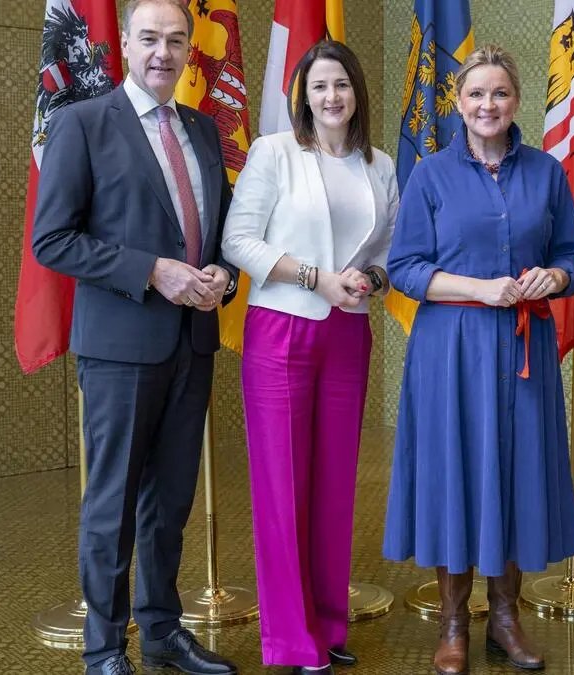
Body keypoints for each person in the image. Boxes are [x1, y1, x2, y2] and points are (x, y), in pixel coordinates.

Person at [31, 1, 240, 673]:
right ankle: (103, 650)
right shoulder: (82, 124)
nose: (164, 52)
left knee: (169, 501)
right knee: (113, 504)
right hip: (120, 346)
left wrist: (224, 275)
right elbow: (53, 239)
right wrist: (151, 270)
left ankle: (161, 631)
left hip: (191, 342)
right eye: (150, 38)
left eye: (176, 40)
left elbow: (225, 235)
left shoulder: (205, 131)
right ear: (123, 41)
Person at [381, 45, 574, 675]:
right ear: (459, 104)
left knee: (517, 474)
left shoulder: (548, 172)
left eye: (499, 94)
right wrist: (480, 289)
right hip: (451, 352)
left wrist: (552, 276)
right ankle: (452, 623)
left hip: (524, 351)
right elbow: (405, 270)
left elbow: (573, 258)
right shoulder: (429, 175)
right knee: (456, 476)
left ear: (516, 101)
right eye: (475, 95)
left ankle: (505, 619)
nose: (487, 105)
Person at [220, 39, 397, 675]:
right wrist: (314, 278)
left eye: (342, 85)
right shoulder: (274, 153)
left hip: (348, 334)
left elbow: (387, 255)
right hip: (282, 332)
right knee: (282, 487)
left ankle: (327, 624)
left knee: (334, 486)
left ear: (357, 94)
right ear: (303, 95)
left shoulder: (380, 164)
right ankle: (292, 641)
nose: (331, 96)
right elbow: (237, 240)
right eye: (319, 86)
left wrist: (370, 282)